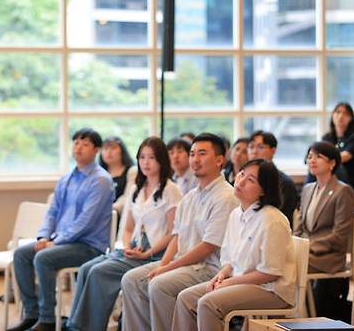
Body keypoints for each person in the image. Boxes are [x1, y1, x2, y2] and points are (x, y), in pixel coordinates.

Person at [121, 133, 237, 331]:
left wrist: (166, 269)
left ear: (219, 160)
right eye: (192, 154)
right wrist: (164, 264)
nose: (195, 159)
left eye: (202, 154)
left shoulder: (225, 196)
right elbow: (177, 236)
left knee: (160, 285)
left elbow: (208, 246)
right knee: (132, 280)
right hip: (184, 263)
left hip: (210, 268)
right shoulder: (191, 196)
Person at [66, 136, 181, 331]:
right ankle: (76, 325)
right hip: (133, 249)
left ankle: (89, 327)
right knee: (86, 268)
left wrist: (147, 252)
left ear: (161, 160)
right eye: (142, 157)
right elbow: (128, 227)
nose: (145, 162)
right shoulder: (137, 188)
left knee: (98, 272)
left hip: (155, 253)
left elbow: (172, 232)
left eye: (151, 158)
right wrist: (127, 246)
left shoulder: (171, 190)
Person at [8, 128, 114, 331]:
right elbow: (53, 212)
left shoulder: (101, 180)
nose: (79, 147)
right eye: (76, 143)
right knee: (21, 254)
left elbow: (86, 221)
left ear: (96, 150)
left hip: (88, 246)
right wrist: (43, 236)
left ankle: (47, 320)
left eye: (85, 144)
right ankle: (32, 314)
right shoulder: (66, 178)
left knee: (43, 257)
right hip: (61, 242)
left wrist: (54, 243)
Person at [172, 159, 296, 331]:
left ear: (263, 190)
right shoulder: (236, 214)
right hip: (240, 281)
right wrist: (221, 275)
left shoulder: (272, 220)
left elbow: (269, 273)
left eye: (251, 180)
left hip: (270, 290)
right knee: (186, 298)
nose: (241, 181)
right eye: (242, 174)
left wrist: (230, 283)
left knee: (208, 303)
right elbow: (229, 259)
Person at [295, 141, 354, 320]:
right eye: (310, 156)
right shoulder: (307, 189)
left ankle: (300, 317)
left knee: (285, 265)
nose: (312, 160)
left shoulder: (342, 191)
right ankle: (297, 315)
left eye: (318, 156)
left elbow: (339, 235)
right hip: (307, 252)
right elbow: (299, 227)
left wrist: (306, 247)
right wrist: (296, 245)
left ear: (332, 163)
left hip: (329, 256)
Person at [247, 130, 298, 226]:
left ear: (273, 151)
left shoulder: (284, 183)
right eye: (251, 147)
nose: (254, 151)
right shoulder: (244, 180)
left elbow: (282, 218)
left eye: (260, 147)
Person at [322, 102, 354, 191]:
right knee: (314, 163)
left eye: (345, 113)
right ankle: (306, 197)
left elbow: (345, 157)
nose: (341, 116)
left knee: (337, 165)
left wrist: (324, 161)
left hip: (351, 178)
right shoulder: (327, 137)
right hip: (331, 176)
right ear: (333, 115)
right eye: (338, 112)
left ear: (351, 118)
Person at [99, 136, 137, 222]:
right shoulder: (98, 174)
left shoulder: (132, 172)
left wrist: (110, 208)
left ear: (122, 151)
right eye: (105, 148)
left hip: (122, 218)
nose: (108, 152)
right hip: (100, 218)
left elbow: (127, 197)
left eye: (113, 148)